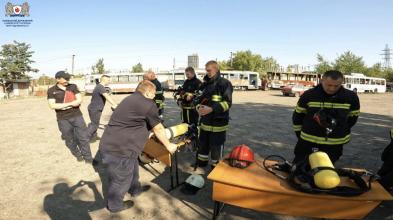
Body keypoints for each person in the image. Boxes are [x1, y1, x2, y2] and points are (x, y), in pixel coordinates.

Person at [98, 80, 178, 213]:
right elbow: (158, 128)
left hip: (117, 144)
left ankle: (135, 189)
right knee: (120, 179)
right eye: (153, 94)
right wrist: (168, 145)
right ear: (147, 92)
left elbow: (136, 121)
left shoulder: (130, 98)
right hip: (120, 149)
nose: (154, 97)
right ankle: (115, 205)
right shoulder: (147, 104)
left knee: (133, 168)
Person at [292, 70, 360, 164]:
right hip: (308, 142)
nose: (332, 89)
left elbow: (353, 118)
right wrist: (302, 135)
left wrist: (340, 130)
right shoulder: (309, 95)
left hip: (334, 145)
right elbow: (297, 117)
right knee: (300, 169)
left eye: (336, 86)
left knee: (326, 172)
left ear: (341, 83)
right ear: (322, 80)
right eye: (329, 85)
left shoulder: (351, 97)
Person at [47, 71, 93, 163]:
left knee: (83, 137)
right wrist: (71, 103)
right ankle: (78, 155)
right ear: (57, 79)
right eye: (65, 78)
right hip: (62, 119)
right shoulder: (51, 90)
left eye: (68, 78)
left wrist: (62, 105)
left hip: (77, 116)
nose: (67, 80)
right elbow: (52, 106)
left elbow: (79, 100)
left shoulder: (73, 87)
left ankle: (88, 158)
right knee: (69, 139)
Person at [195, 60, 233, 169]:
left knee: (216, 149)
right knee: (202, 147)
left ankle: (216, 170)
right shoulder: (205, 84)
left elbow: (227, 103)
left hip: (218, 125)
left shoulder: (225, 83)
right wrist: (198, 108)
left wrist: (211, 109)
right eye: (206, 70)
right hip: (205, 123)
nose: (207, 72)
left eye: (209, 70)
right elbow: (198, 99)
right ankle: (201, 166)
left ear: (216, 69)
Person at [87, 75, 118, 141]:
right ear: (104, 80)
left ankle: (93, 137)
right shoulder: (101, 87)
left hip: (94, 108)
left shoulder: (99, 86)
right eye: (108, 80)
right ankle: (84, 138)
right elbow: (107, 96)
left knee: (94, 123)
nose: (109, 81)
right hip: (95, 109)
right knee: (94, 124)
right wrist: (115, 104)